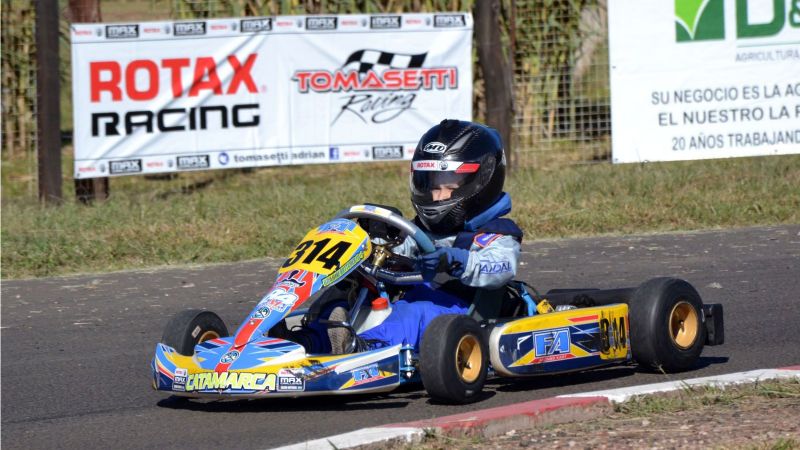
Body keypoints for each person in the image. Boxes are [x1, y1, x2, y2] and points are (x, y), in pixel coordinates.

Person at [327, 119, 523, 353]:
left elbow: (500, 268)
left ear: (482, 182)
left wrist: (454, 260)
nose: (437, 197)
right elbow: (400, 250)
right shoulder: (420, 229)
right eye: (432, 187)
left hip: (460, 313)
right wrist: (373, 244)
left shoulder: (496, 232)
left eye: (449, 187)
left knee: (413, 313)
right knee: (342, 299)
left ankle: (364, 349)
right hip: (412, 299)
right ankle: (310, 339)